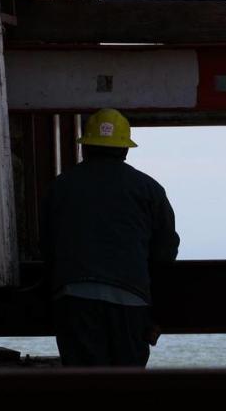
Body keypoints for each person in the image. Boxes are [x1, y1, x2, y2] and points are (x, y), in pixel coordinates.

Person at [41, 108, 179, 367]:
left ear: (86, 146)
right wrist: (158, 311)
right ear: (125, 149)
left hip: (74, 297)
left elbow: (46, 245)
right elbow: (165, 251)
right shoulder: (148, 189)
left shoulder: (60, 186)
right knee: (126, 383)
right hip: (131, 298)